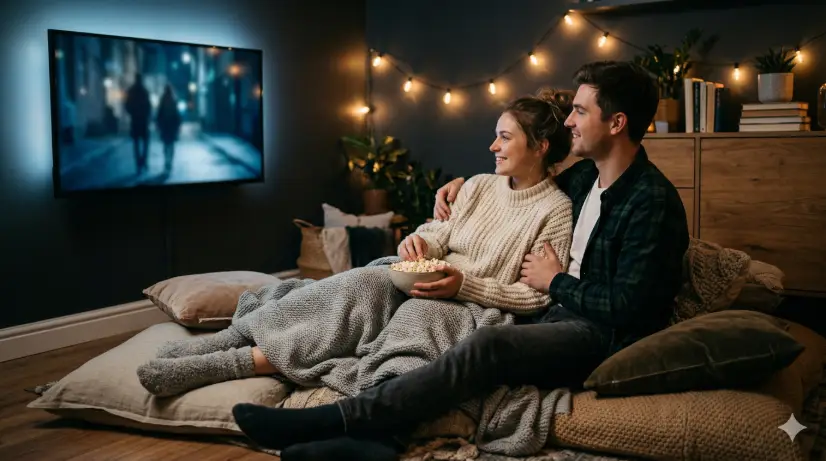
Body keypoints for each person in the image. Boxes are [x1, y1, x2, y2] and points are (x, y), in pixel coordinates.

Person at [229, 60, 690, 461]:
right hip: (556, 314)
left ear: (616, 123)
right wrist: (464, 187)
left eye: (581, 111)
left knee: (486, 345)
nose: (569, 120)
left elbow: (630, 307)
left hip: (599, 335)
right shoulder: (585, 177)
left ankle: (332, 419)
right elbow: (526, 184)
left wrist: (555, 283)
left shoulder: (652, 200)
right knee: (441, 329)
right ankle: (380, 442)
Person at [136, 90, 576, 412]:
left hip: (470, 305)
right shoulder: (479, 185)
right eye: (494, 136)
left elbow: (536, 296)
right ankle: (227, 339)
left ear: (538, 147)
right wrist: (420, 241)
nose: (492, 146)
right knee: (356, 284)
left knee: (414, 323)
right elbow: (441, 231)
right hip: (424, 277)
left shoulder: (555, 210)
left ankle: (232, 364)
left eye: (504, 138)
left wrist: (465, 285)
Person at [155, 84, 182, 174]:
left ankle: (167, 160)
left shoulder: (163, 100)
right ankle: (169, 161)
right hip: (171, 126)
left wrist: (158, 125)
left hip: (166, 126)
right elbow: (177, 115)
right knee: (171, 144)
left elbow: (159, 114)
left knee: (166, 145)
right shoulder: (173, 100)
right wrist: (178, 126)